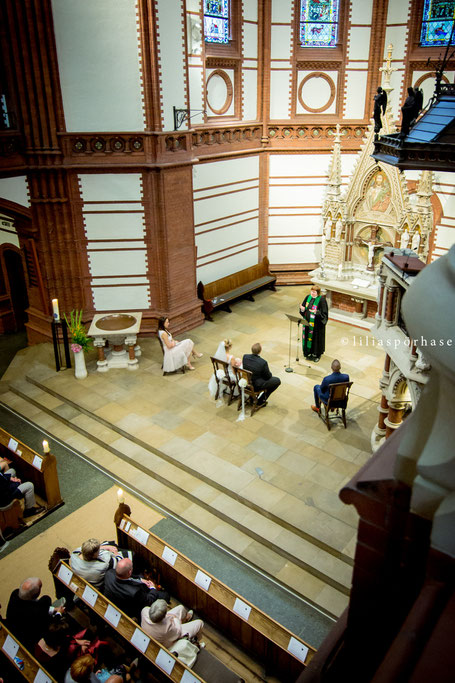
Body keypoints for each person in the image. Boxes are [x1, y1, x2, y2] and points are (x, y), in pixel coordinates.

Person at [6, 577, 65, 648]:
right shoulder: (36, 613)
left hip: (14, 626)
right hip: (29, 637)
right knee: (46, 599)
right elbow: (52, 625)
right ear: (36, 595)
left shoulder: (15, 593)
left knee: (45, 599)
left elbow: (40, 609)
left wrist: (54, 609)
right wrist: (59, 613)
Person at [103, 558, 169, 620]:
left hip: (116, 600)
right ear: (129, 572)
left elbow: (126, 576)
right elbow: (149, 601)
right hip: (131, 609)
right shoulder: (135, 592)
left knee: (140, 575)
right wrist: (153, 588)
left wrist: (140, 580)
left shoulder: (109, 573)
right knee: (165, 595)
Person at [299, 285, 328, 362]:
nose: (312, 293)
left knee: (316, 340)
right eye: (312, 291)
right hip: (307, 323)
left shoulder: (321, 300)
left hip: (317, 326)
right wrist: (302, 309)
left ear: (318, 293)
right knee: (307, 338)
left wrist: (316, 312)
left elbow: (324, 313)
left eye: (314, 292)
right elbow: (304, 308)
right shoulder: (307, 297)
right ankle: (308, 352)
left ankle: (317, 355)